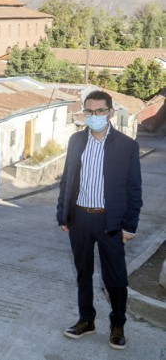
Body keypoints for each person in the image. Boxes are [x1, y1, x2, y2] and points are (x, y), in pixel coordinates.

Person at [56, 90, 142, 350]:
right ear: (84, 113)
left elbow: (134, 189)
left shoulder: (127, 146)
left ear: (111, 112)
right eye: (89, 112)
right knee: (83, 273)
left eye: (100, 111)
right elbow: (67, 180)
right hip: (80, 218)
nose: (94, 116)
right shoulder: (75, 141)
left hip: (111, 222)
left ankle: (117, 325)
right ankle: (86, 320)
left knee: (115, 278)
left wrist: (130, 225)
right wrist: (63, 213)